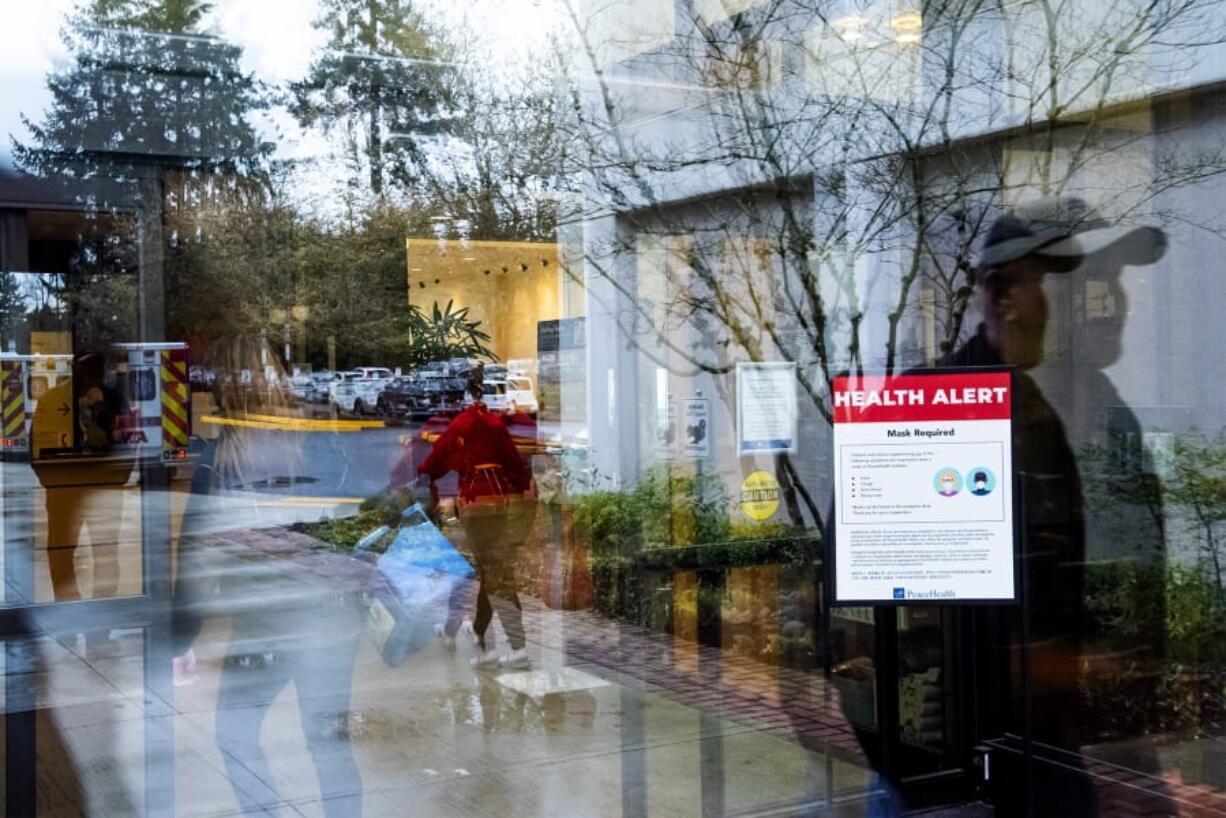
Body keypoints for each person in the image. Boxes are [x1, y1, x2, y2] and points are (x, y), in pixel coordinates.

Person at [939, 197, 1165, 816]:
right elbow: (876, 638)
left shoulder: (1101, 410)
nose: (1111, 299)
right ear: (1001, 295)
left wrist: (1128, 741)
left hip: (1088, 758)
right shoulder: (931, 417)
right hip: (983, 783)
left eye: (1114, 278)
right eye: (1083, 281)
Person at [171, 337, 363, 818]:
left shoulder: (221, 460)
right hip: (327, 618)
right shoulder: (316, 441)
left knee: (236, 734)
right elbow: (352, 521)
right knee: (327, 743)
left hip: (266, 623)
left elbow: (197, 554)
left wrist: (179, 636)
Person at [418, 363, 537, 670]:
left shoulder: (459, 425)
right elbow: (514, 463)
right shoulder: (496, 425)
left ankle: (490, 643)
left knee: (488, 573)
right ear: (485, 391)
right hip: (499, 504)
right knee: (494, 571)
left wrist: (425, 477)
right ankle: (491, 639)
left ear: (464, 392)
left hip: (472, 504)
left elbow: (435, 461)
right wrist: (522, 487)